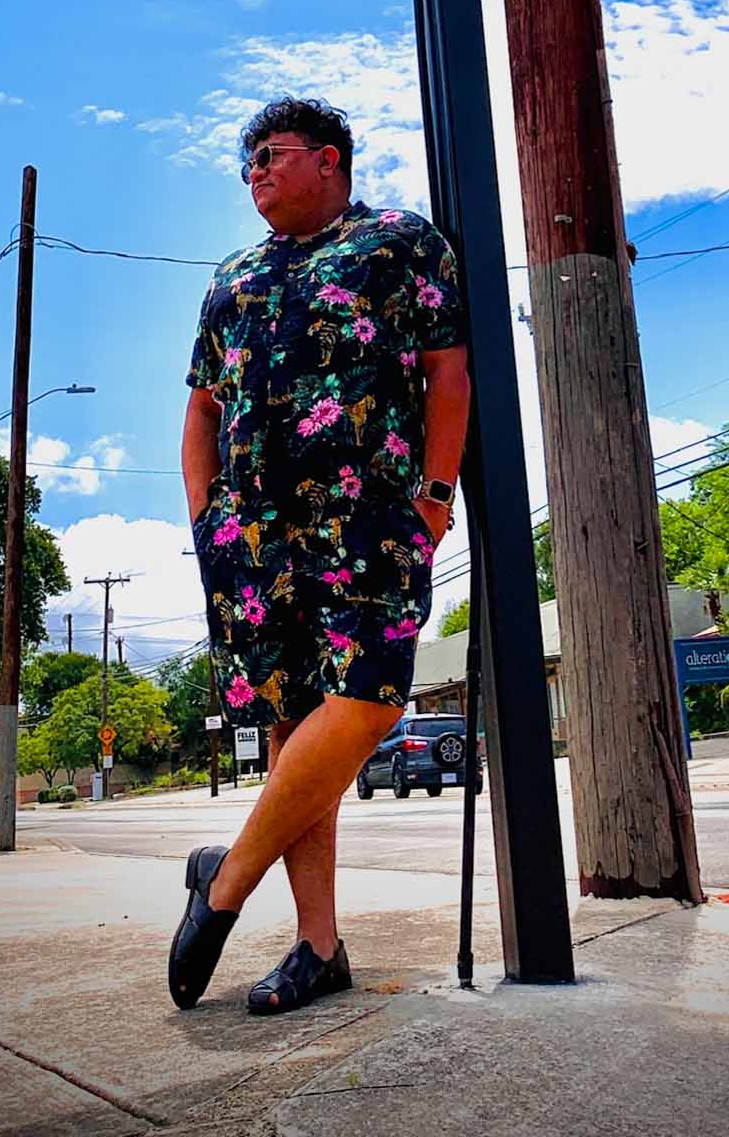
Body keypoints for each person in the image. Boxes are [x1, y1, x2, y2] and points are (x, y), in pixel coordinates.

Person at [169, 96, 470, 1015]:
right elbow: (202, 406)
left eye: (271, 154)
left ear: (330, 159)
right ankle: (318, 946)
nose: (255, 171)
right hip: (252, 539)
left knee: (369, 703)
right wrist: (206, 514)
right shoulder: (233, 274)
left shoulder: (400, 243)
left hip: (371, 518)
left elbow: (447, 371)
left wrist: (434, 495)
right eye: (246, 162)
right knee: (295, 723)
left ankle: (226, 882)